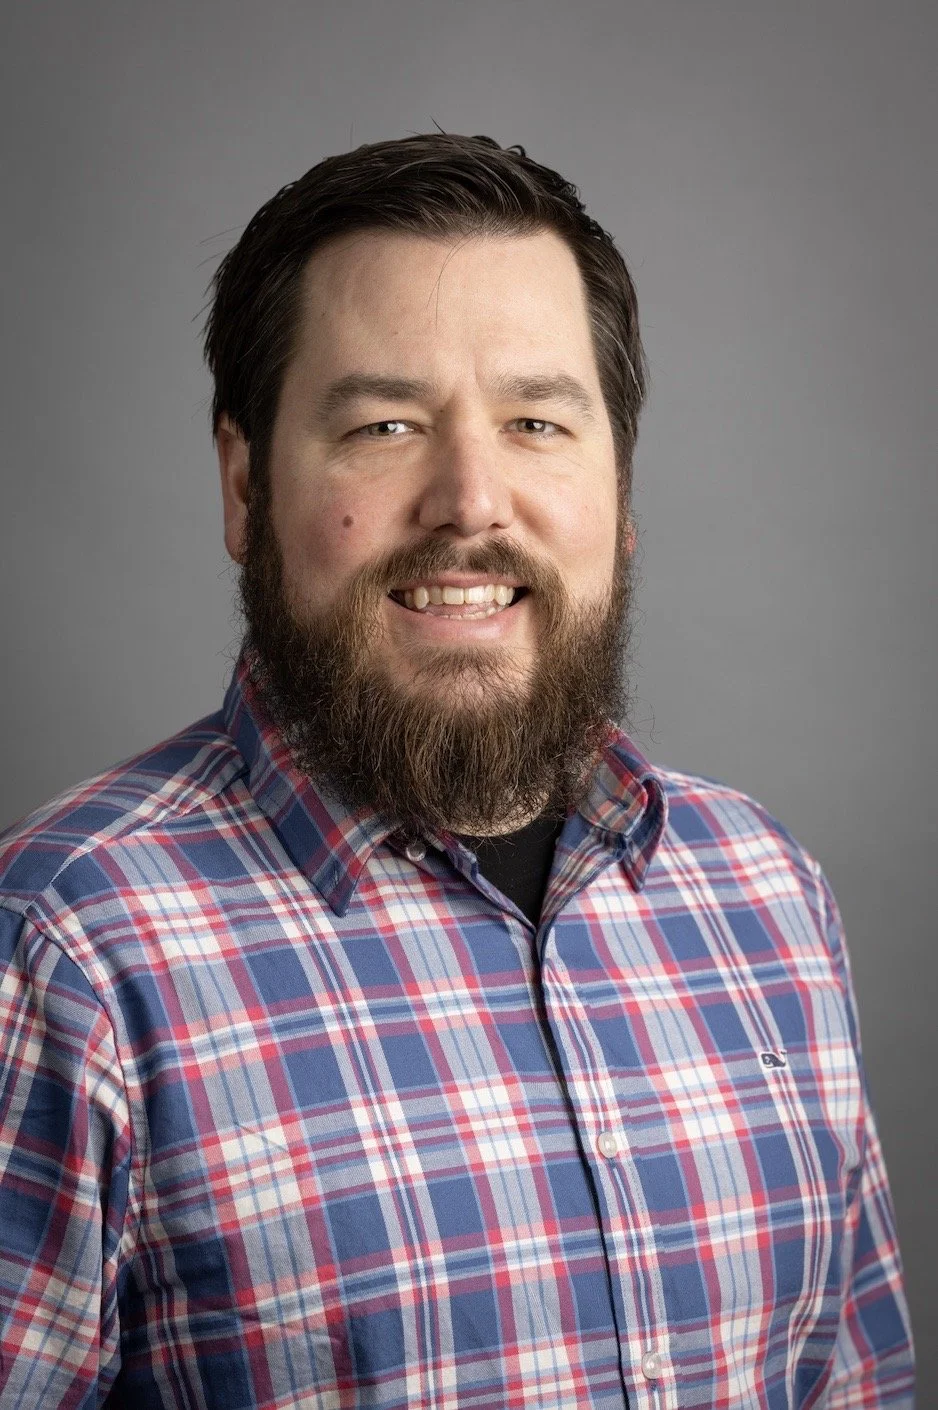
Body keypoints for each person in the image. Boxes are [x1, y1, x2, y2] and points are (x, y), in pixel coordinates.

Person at [0, 133, 913, 1409]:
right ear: (243, 483)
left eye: (537, 421)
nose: (471, 499)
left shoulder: (765, 899)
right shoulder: (63, 952)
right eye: (385, 424)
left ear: (618, 489)